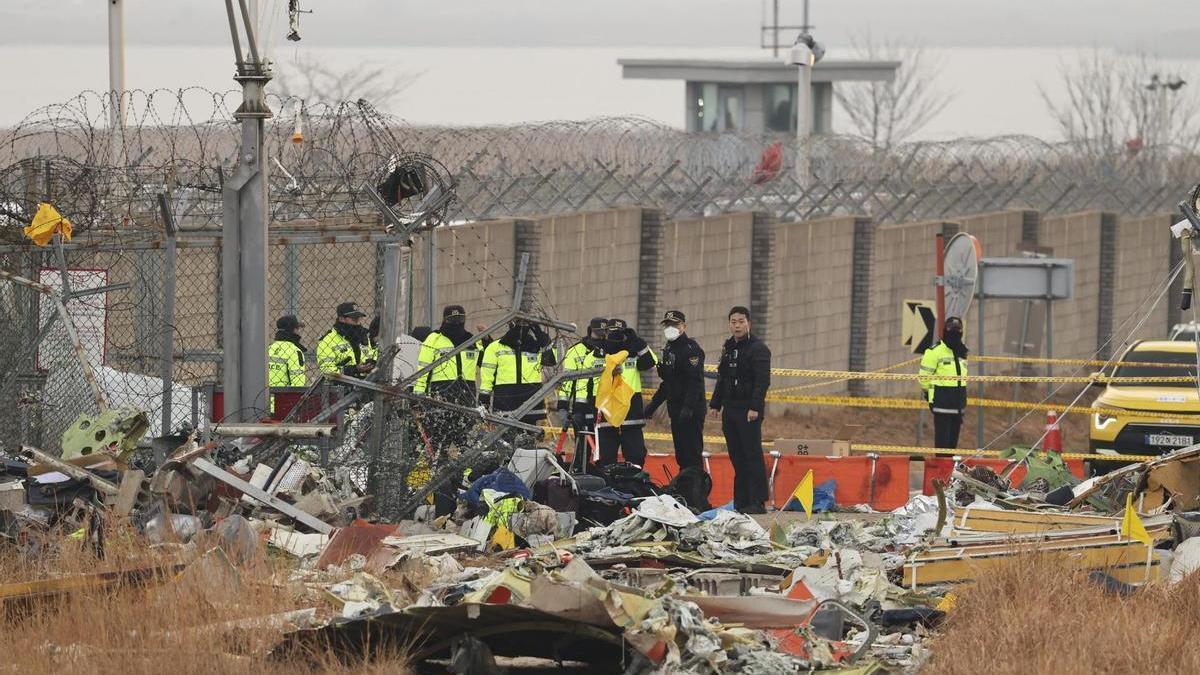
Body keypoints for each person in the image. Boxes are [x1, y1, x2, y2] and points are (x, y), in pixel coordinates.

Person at [709, 306, 771, 514]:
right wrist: (716, 403)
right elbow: (723, 377)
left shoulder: (758, 349)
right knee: (736, 455)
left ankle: (757, 500)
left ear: (749, 323)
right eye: (733, 322)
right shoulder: (728, 348)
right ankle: (741, 501)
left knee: (751, 454)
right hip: (731, 408)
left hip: (748, 409)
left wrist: (755, 407)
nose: (737, 325)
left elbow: (761, 382)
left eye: (741, 321)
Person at [644, 310, 706, 471]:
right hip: (675, 408)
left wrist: (688, 408)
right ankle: (684, 487)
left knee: (692, 454)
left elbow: (695, 382)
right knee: (681, 454)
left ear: (683, 327)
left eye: (675, 324)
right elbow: (668, 383)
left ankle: (695, 488)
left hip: (690, 411)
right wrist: (652, 406)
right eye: (668, 325)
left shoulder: (691, 349)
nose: (671, 328)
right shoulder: (669, 349)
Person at [597, 318, 657, 467]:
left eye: (619, 333)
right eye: (611, 332)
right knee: (606, 458)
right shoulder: (599, 352)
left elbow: (650, 362)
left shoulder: (633, 350)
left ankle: (634, 485)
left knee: (635, 455)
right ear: (605, 333)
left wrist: (637, 342)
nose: (615, 336)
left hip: (631, 411)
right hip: (608, 411)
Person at [479, 319, 557, 425]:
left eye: (525, 324)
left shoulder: (535, 347)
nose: (522, 328)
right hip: (505, 401)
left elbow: (552, 360)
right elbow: (487, 377)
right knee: (506, 438)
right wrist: (484, 401)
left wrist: (544, 339)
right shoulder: (495, 347)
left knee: (528, 438)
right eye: (519, 323)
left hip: (530, 400)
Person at [558, 317, 607, 471]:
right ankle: (580, 470)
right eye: (598, 332)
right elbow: (567, 380)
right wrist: (563, 405)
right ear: (590, 331)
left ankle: (602, 472)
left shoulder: (611, 349)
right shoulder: (575, 350)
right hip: (581, 404)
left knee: (604, 441)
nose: (601, 336)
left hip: (604, 403)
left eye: (604, 332)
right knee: (582, 441)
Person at [414, 305, 482, 405]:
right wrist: (418, 398)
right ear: (445, 321)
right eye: (453, 321)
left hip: (467, 394)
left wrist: (487, 340)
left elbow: (486, 360)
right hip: (441, 393)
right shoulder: (434, 339)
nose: (457, 323)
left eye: (460, 319)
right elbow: (422, 368)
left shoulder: (471, 340)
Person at [921, 316, 969, 449]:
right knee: (942, 444)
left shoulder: (962, 351)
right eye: (951, 330)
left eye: (957, 330)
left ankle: (948, 469)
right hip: (942, 403)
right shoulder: (934, 351)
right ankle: (940, 470)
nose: (954, 333)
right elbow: (924, 378)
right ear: (945, 331)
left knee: (952, 446)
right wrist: (930, 396)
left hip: (958, 403)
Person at [316, 301, 374, 376]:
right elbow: (327, 372)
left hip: (365, 383)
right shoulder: (327, 341)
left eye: (358, 319)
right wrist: (353, 370)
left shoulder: (363, 337)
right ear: (341, 319)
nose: (357, 323)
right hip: (341, 385)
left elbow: (371, 355)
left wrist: (371, 365)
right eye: (354, 319)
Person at [268, 314, 308, 388]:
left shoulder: (268, 349)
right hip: (281, 399)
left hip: (262, 397)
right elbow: (298, 385)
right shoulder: (295, 352)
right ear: (294, 330)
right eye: (298, 328)